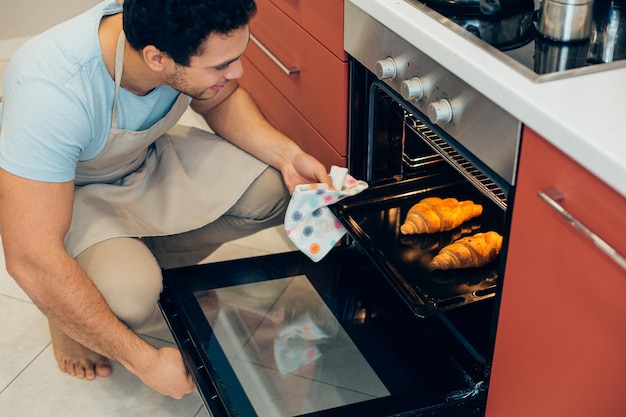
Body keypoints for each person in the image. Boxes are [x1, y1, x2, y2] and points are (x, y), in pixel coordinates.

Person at [0, 0, 332, 400]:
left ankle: (136, 266)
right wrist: (145, 362)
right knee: (129, 293)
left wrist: (287, 156)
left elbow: (222, 100)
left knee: (277, 190)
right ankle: (71, 311)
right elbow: (29, 257)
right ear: (157, 58)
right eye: (220, 66)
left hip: (143, 161)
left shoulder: (174, 31)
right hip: (72, 194)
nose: (236, 73)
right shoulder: (52, 90)